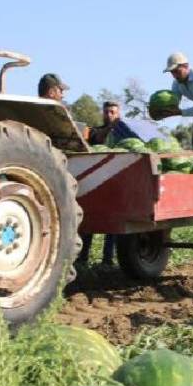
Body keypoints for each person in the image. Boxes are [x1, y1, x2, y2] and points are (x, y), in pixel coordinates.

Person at [79, 100, 120, 266]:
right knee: (90, 221)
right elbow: (97, 140)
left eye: (112, 112)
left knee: (112, 224)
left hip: (115, 184)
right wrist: (110, 128)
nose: (109, 115)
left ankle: (107, 260)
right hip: (96, 183)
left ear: (118, 114)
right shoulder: (96, 131)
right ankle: (83, 258)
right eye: (107, 112)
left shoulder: (124, 133)